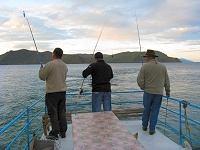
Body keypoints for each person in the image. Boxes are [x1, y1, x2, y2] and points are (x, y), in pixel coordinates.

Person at [137, 49, 170, 135]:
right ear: (154, 57)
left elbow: (139, 80)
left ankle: (144, 126)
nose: (146, 59)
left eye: (146, 57)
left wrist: (143, 87)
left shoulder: (145, 67)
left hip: (148, 92)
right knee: (155, 111)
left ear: (148, 57)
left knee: (146, 109)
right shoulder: (163, 66)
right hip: (159, 93)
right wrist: (167, 91)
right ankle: (152, 129)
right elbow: (167, 80)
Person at [39, 48, 68, 139]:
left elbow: (42, 77)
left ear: (54, 54)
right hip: (62, 92)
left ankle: (55, 132)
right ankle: (63, 132)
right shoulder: (64, 66)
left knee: (53, 113)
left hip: (52, 93)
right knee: (62, 112)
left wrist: (41, 70)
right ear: (61, 55)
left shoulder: (50, 64)